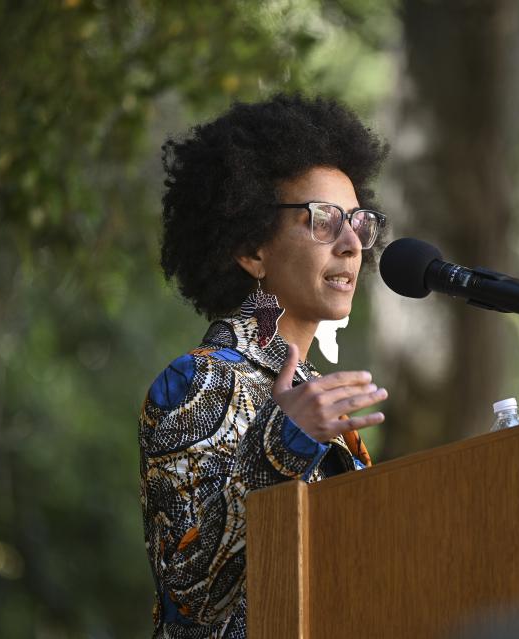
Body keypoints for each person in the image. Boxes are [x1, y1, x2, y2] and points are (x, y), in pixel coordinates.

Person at [138, 94, 390, 638]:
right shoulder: (197, 382)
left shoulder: (314, 397)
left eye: (358, 222)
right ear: (252, 250)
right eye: (324, 220)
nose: (352, 244)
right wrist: (281, 447)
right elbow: (189, 597)